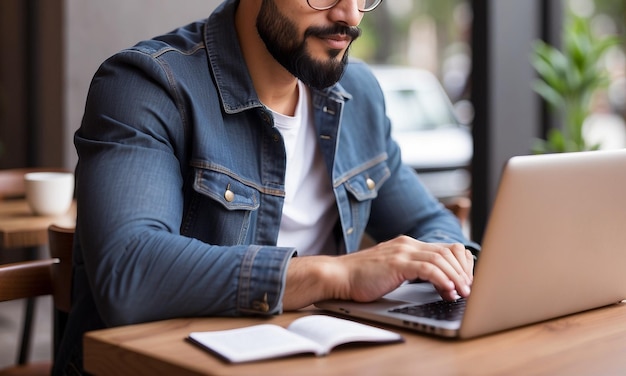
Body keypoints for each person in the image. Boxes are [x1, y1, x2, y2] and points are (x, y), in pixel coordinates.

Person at [54, 0, 480, 374]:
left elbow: (429, 223)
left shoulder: (359, 93)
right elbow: (130, 270)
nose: (350, 15)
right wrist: (334, 274)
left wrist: (450, 266)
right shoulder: (146, 84)